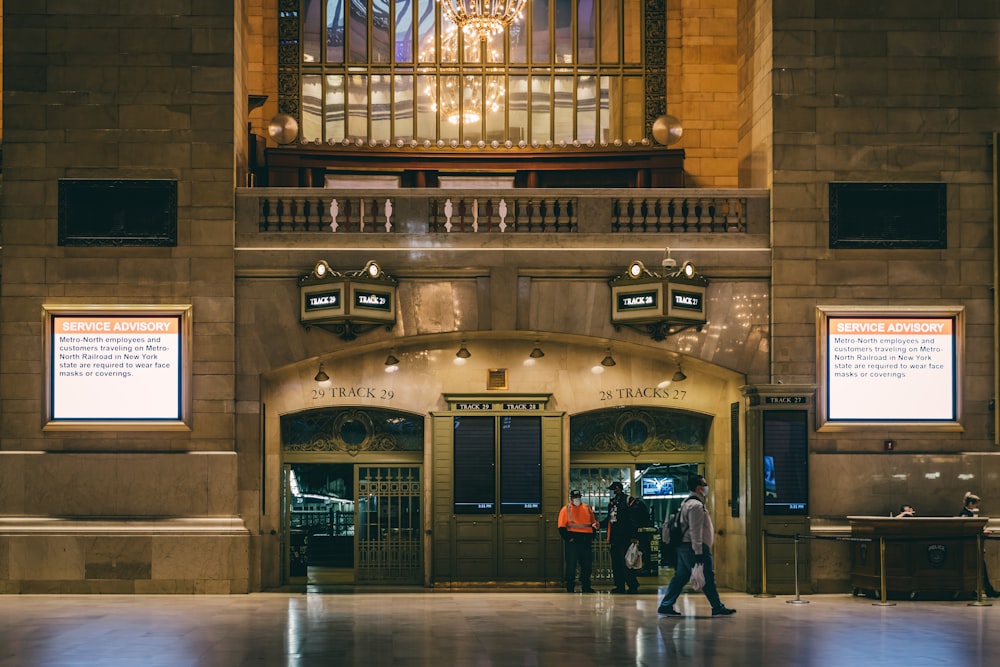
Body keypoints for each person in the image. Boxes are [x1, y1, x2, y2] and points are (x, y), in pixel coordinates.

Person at [657, 474, 736, 617]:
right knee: (707, 576)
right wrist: (698, 551)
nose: (707, 487)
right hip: (692, 548)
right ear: (699, 488)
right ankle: (717, 607)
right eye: (705, 484)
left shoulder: (687, 502)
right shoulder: (696, 506)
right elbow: (695, 530)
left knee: (681, 577)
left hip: (684, 546)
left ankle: (666, 605)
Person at [601, 481, 642, 594]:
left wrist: (634, 536)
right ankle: (619, 585)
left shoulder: (628, 501)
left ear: (618, 489)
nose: (612, 492)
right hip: (614, 538)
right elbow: (610, 519)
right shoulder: (613, 503)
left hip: (625, 538)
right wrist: (599, 524)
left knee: (627, 563)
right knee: (616, 563)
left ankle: (632, 585)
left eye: (613, 490)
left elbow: (634, 520)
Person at [959, 492, 1000, 598]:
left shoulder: (967, 514)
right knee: (980, 569)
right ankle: (988, 590)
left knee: (979, 569)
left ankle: (983, 590)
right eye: (976, 504)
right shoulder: (965, 514)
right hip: (971, 548)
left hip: (972, 547)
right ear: (971, 504)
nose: (977, 507)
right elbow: (968, 530)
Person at [557, 489, 599, 593]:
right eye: (575, 497)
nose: (577, 499)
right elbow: (561, 527)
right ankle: (570, 586)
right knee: (571, 564)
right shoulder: (566, 509)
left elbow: (593, 524)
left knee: (587, 565)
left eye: (578, 497)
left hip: (585, 540)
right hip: (573, 541)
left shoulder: (587, 508)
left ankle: (586, 586)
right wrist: (569, 538)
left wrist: (592, 535)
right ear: (571, 498)